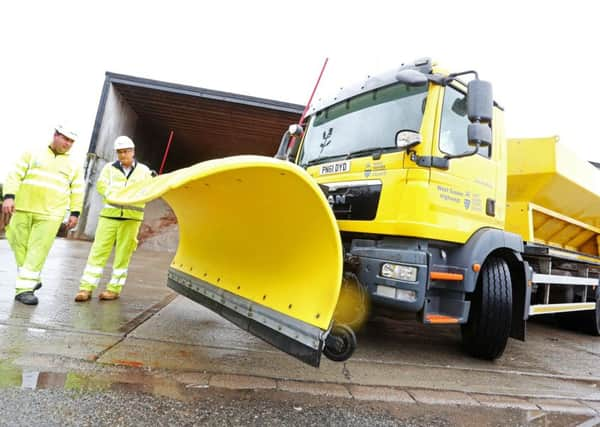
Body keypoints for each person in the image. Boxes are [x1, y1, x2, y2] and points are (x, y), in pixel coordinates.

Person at [2, 124, 84, 305]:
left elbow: (77, 190)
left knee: (37, 251)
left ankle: (24, 290)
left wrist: (75, 212)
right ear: (55, 135)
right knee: (17, 244)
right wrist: (9, 196)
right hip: (23, 208)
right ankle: (32, 277)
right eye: (65, 139)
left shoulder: (73, 165)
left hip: (51, 214)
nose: (68, 143)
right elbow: (14, 175)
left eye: (72, 141)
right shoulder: (32, 153)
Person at [75, 136, 152, 302]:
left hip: (132, 218)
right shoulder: (109, 169)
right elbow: (102, 186)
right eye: (120, 152)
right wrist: (116, 196)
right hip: (109, 216)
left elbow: (149, 191)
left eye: (126, 151)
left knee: (123, 255)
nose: (123, 155)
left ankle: (114, 289)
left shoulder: (144, 171)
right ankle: (86, 288)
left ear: (133, 151)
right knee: (98, 251)